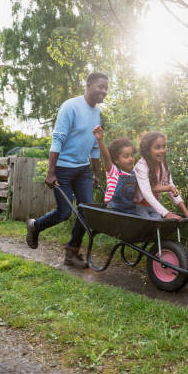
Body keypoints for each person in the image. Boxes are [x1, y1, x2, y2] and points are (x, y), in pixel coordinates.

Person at [26, 72, 109, 268]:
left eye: (106, 88)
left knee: (87, 211)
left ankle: (72, 252)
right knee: (64, 213)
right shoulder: (70, 106)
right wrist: (50, 171)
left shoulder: (97, 113)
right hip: (62, 169)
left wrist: (96, 174)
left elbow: (95, 146)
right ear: (88, 85)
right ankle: (35, 226)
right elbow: (58, 139)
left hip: (83, 170)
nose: (104, 91)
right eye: (100, 86)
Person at [133, 131, 188, 221]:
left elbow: (171, 188)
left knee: (158, 227)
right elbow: (147, 193)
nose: (162, 150)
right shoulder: (141, 167)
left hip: (153, 206)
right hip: (138, 205)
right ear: (148, 150)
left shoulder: (163, 166)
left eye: (163, 147)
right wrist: (166, 213)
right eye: (157, 147)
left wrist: (186, 212)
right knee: (149, 225)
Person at [92, 125, 137, 214]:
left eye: (132, 155)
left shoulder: (134, 174)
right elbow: (106, 156)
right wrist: (100, 140)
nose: (131, 159)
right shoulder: (113, 171)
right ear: (116, 159)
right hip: (115, 210)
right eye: (126, 156)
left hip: (130, 210)